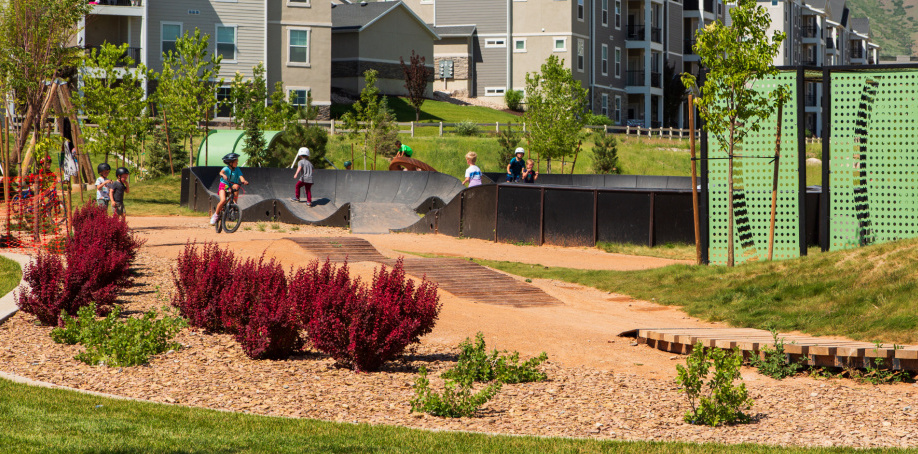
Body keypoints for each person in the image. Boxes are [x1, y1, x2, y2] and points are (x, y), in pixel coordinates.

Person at [211, 152, 249, 225]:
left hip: (232, 185)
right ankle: (215, 215)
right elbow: (221, 172)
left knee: (237, 186)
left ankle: (234, 202)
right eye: (236, 162)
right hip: (224, 185)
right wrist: (223, 175)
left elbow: (241, 177)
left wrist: (244, 181)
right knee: (223, 200)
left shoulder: (237, 169)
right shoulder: (226, 168)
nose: (237, 163)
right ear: (230, 163)